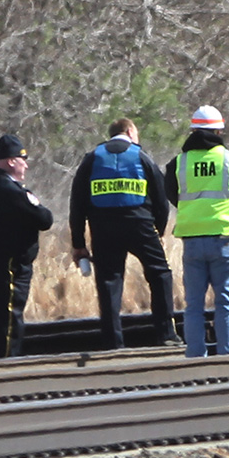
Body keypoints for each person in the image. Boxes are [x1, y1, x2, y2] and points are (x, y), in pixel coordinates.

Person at [69, 118, 180, 349]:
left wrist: (78, 243)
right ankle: (166, 335)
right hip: (140, 224)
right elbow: (161, 199)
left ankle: (112, 342)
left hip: (103, 228)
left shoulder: (92, 158)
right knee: (160, 274)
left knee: (109, 281)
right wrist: (158, 230)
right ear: (130, 132)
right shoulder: (141, 156)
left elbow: (77, 204)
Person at [164, 105, 229, 358]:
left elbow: (173, 195)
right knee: (226, 303)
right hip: (223, 240)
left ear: (193, 131)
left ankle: (195, 355)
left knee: (193, 305)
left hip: (192, 242)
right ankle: (227, 355)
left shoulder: (179, 163)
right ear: (219, 131)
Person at [0, 134, 54, 358]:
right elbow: (45, 219)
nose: (26, 165)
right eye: (23, 160)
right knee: (8, 325)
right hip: (7, 266)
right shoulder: (12, 191)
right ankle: (5, 369)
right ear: (11, 161)